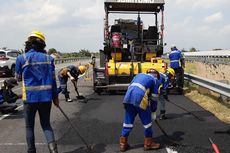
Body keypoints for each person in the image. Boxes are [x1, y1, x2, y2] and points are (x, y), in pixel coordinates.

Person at [15, 30, 59, 153]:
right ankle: (53, 151)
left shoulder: (21, 58)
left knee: (29, 127)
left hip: (29, 99)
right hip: (46, 98)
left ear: (28, 43)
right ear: (42, 44)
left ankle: (31, 151)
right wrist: (55, 97)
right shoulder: (49, 58)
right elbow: (53, 80)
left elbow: (18, 77)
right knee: (46, 125)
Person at [120, 68, 161, 152]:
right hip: (139, 99)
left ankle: (123, 144)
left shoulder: (138, 75)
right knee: (147, 123)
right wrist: (153, 111)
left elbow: (132, 87)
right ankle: (148, 144)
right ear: (156, 75)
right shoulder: (154, 80)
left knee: (128, 122)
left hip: (127, 98)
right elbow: (154, 98)